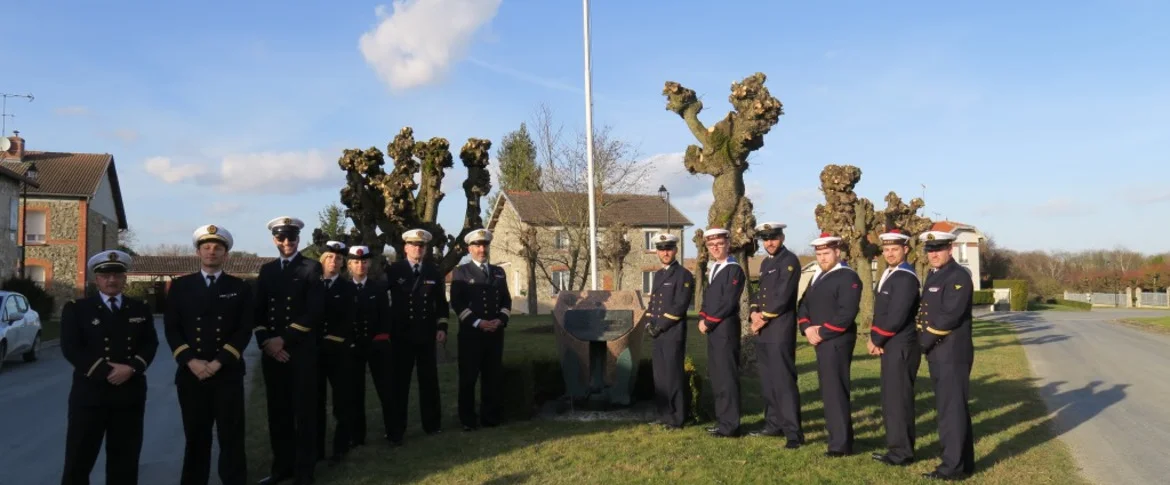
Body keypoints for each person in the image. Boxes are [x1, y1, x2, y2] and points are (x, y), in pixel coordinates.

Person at [164, 225, 254, 485]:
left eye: (217, 248)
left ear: (226, 254)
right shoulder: (180, 286)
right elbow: (172, 329)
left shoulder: (239, 287)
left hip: (227, 373)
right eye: (206, 247)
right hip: (192, 374)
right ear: (198, 252)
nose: (211, 252)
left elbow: (243, 329)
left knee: (231, 436)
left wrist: (217, 363)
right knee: (196, 437)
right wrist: (190, 361)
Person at [59, 250, 158, 485]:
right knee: (78, 459)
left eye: (117, 275)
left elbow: (150, 344)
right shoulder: (77, 309)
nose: (111, 280)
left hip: (128, 394)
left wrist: (131, 368)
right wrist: (107, 372)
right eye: (105, 276)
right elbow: (71, 348)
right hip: (90, 395)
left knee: (125, 461)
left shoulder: (140, 308)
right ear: (97, 279)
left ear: (125, 278)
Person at [255, 216, 324, 485]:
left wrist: (283, 340)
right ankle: (281, 468)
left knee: (304, 413)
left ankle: (305, 471)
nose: (287, 242)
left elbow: (314, 311)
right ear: (274, 240)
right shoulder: (267, 270)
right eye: (281, 238)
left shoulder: (311, 268)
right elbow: (258, 311)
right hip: (273, 354)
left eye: (291, 238)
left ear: (298, 239)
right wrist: (267, 342)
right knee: (278, 412)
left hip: (300, 351)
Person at [916, 230, 975, 481]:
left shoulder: (958, 276)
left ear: (950, 249)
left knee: (951, 411)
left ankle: (951, 468)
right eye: (930, 250)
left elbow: (950, 315)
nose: (933, 254)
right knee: (952, 408)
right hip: (940, 352)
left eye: (938, 249)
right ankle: (965, 463)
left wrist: (923, 342)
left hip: (951, 351)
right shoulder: (935, 274)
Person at [797, 232, 862, 457]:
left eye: (826, 253)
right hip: (820, 340)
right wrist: (807, 328)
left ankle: (841, 445)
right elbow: (803, 305)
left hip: (836, 341)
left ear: (837, 252)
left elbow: (847, 314)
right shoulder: (817, 275)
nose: (822, 258)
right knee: (828, 390)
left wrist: (821, 332)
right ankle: (836, 437)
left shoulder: (848, 277)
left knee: (835, 391)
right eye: (819, 254)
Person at [386, 228, 449, 445]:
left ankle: (432, 425)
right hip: (401, 336)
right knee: (399, 383)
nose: (417, 249)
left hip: (425, 334)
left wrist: (442, 327)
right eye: (413, 245)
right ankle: (397, 429)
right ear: (406, 247)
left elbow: (441, 303)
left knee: (429, 381)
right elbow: (384, 300)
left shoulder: (432, 271)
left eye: (421, 246)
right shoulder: (394, 270)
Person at [868, 228, 923, 467]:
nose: (889, 253)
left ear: (905, 250)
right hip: (891, 344)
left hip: (901, 345)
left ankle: (902, 453)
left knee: (899, 400)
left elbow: (896, 316)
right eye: (886, 249)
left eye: (895, 249)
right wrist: (877, 338)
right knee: (891, 398)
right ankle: (896, 448)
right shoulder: (889, 274)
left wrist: (876, 340)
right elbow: (881, 312)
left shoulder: (905, 277)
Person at [747, 222, 805, 448]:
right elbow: (759, 292)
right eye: (766, 239)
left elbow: (783, 295)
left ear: (782, 237)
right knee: (768, 380)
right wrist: (753, 311)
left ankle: (793, 433)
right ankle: (773, 424)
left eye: (773, 238)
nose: (769, 243)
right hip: (763, 330)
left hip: (779, 329)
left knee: (783, 381)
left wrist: (763, 317)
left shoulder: (789, 261)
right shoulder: (765, 263)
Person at [450, 228, 512, 431]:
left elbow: (506, 300)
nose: (481, 249)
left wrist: (500, 320)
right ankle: (467, 420)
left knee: (492, 377)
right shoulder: (461, 272)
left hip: (495, 334)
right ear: (469, 249)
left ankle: (491, 417)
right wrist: (478, 322)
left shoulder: (498, 272)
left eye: (484, 245)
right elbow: (457, 303)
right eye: (477, 246)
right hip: (471, 335)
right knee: (468, 379)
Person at [697, 227, 746, 438]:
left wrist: (709, 321)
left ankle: (731, 425)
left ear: (728, 244)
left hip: (725, 328)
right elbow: (708, 299)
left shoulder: (734, 269)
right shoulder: (715, 268)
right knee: (718, 376)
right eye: (711, 245)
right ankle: (722, 421)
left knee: (727, 377)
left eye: (719, 244)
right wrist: (702, 316)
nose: (715, 248)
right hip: (714, 329)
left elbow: (728, 302)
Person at [644, 233, 695, 429]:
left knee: (673, 376)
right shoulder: (659, 274)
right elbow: (653, 302)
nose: (665, 253)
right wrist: (649, 322)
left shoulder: (683, 275)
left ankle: (677, 417)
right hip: (657, 333)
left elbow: (680, 305)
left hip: (672, 332)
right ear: (657, 252)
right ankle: (664, 414)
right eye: (661, 249)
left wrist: (661, 325)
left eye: (669, 249)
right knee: (660, 377)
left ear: (675, 250)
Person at [344, 244, 393, 447]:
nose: (360, 265)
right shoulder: (344, 289)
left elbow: (386, 317)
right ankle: (357, 436)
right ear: (349, 265)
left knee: (386, 390)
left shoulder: (378, 288)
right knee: (355, 392)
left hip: (376, 345)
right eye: (356, 262)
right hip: (353, 348)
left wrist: (380, 340)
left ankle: (393, 432)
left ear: (369, 264)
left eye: (364, 262)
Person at [314, 241, 358, 463]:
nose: (334, 261)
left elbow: (349, 319)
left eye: (338, 258)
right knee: (315, 402)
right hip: (313, 353)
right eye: (330, 257)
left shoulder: (348, 288)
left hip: (338, 351)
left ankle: (341, 447)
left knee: (342, 402)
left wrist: (331, 340)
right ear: (322, 260)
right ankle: (316, 449)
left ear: (343, 263)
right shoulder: (311, 285)